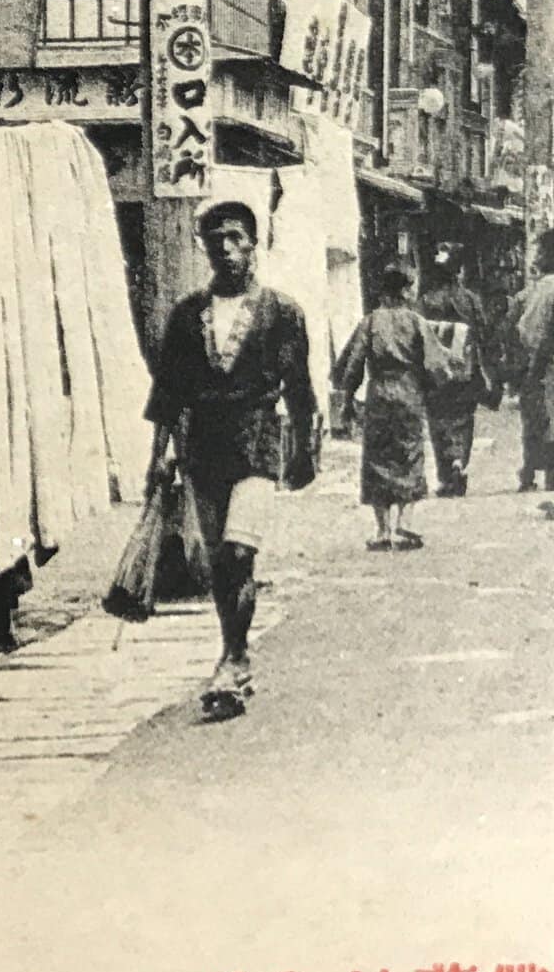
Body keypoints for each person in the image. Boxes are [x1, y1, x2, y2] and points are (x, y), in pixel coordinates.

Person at [145, 198, 319, 723]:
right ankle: (233, 650)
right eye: (215, 239)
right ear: (203, 247)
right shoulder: (187, 315)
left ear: (253, 243)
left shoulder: (281, 312)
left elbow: (299, 387)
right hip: (203, 448)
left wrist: (304, 449)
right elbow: (168, 393)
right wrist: (158, 457)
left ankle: (234, 659)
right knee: (221, 559)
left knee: (240, 553)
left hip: (258, 443)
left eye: (236, 237)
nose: (226, 248)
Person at [334, 263, 446, 551]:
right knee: (410, 454)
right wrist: (431, 390)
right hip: (409, 393)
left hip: (379, 393)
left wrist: (347, 398)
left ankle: (383, 530)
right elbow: (436, 365)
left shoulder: (370, 322)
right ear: (405, 291)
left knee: (378, 458)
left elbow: (353, 364)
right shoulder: (417, 322)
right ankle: (404, 524)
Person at [417, 239, 496, 497]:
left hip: (435, 371)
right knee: (462, 419)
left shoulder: (426, 300)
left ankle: (445, 474)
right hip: (465, 369)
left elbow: (418, 335)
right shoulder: (470, 300)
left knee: (438, 420)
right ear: (460, 270)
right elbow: (484, 332)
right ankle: (458, 462)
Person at [507, 231, 554, 493]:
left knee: (539, 420)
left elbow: (526, 331)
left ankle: (534, 473)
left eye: (540, 252)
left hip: (543, 365)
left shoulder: (541, 289)